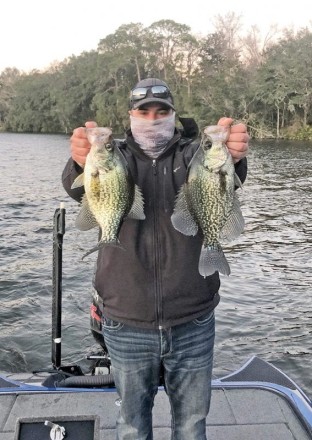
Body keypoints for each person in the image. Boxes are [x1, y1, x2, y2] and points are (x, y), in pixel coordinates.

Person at [62, 77, 249, 439]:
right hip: (125, 319)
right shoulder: (116, 157)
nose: (152, 117)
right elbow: (81, 186)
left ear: (173, 115)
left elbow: (225, 177)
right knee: (132, 425)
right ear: (130, 115)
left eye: (161, 111)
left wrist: (234, 156)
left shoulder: (193, 155)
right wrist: (78, 161)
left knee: (192, 424)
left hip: (192, 317)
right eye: (143, 111)